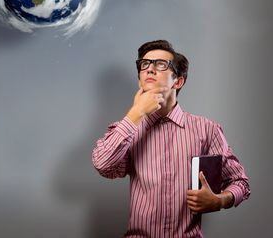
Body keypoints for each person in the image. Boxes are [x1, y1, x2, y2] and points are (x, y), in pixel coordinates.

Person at [92, 40, 250, 238]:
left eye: (160, 64)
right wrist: (136, 113)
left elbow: (240, 182)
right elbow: (103, 165)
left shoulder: (207, 130)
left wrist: (219, 201)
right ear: (140, 78)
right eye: (144, 64)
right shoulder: (128, 128)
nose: (149, 69)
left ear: (178, 81)